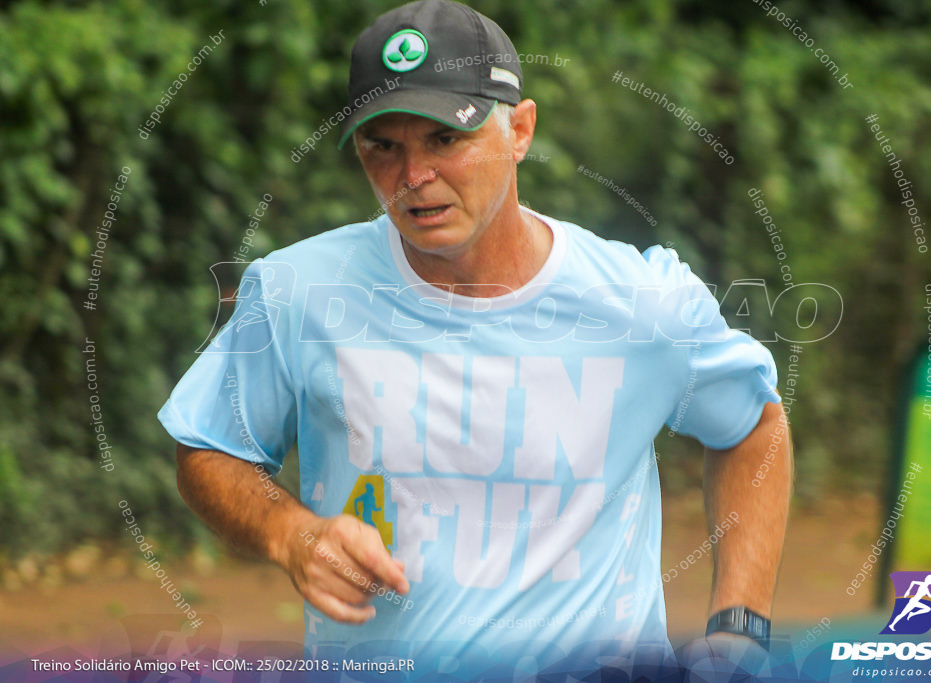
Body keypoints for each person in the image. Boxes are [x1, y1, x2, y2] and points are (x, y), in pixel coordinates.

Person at [159, 0, 792, 677]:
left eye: (444, 139)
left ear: (520, 130)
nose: (413, 177)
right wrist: (292, 533)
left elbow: (755, 428)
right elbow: (209, 444)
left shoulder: (642, 304)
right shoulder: (299, 291)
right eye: (384, 146)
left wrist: (739, 631)